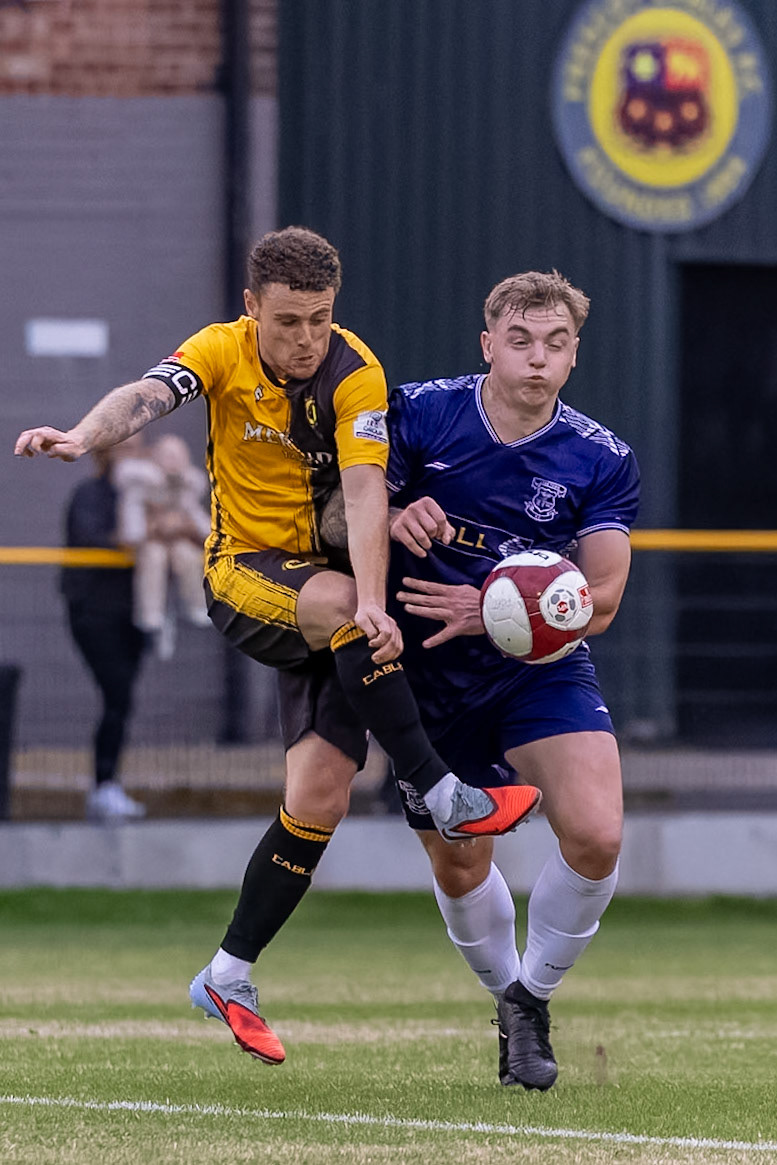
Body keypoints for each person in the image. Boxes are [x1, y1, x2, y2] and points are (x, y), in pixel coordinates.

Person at [14, 226, 540, 1066]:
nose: (305, 339)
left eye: (320, 319)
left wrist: (373, 600)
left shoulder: (355, 370)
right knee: (343, 607)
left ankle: (227, 972)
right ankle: (442, 790)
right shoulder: (219, 351)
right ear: (251, 307)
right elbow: (144, 396)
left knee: (320, 796)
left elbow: (365, 493)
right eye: (288, 321)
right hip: (245, 575)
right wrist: (83, 436)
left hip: (330, 603)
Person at [385, 270, 640, 1090]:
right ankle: (506, 997)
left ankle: (531, 998)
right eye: (521, 341)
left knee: (596, 835)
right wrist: (389, 514)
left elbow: (602, 598)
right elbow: (331, 514)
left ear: (573, 355)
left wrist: (495, 608)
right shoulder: (419, 413)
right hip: (425, 676)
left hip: (539, 667)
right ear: (487, 344)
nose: (537, 358)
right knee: (462, 862)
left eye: (555, 344)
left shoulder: (599, 457)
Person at [60, 438, 149, 821]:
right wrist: (138, 537)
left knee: (121, 700)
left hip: (134, 612)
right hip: (94, 613)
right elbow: (93, 538)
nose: (133, 454)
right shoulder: (90, 494)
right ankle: (104, 785)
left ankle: (107, 785)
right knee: (118, 693)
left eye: (137, 447)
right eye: (125, 447)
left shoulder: (145, 493)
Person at [114, 433, 211, 655]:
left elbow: (195, 515)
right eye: (168, 455)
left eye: (178, 456)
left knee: (188, 557)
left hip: (178, 543)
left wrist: (185, 527)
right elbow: (132, 513)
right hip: (150, 544)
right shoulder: (142, 482)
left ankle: (197, 604)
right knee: (154, 558)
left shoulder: (187, 484)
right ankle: (150, 614)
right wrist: (142, 531)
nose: (173, 461)